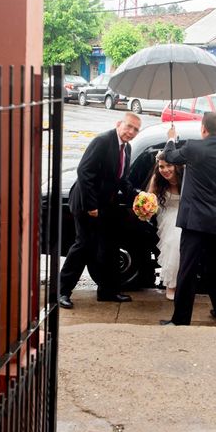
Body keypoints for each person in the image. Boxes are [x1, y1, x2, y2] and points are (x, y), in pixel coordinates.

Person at [159, 112, 216, 326]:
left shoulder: (195, 148)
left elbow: (170, 156)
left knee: (187, 271)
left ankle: (181, 320)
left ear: (203, 129)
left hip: (194, 222)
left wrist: (170, 138)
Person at [58, 112, 142, 309]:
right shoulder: (102, 141)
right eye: (129, 126)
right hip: (86, 203)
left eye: (135, 129)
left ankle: (108, 291)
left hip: (105, 205)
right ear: (119, 124)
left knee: (110, 247)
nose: (131, 132)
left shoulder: (126, 148)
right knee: (83, 247)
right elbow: (84, 172)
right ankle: (62, 292)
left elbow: (122, 179)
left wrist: (137, 196)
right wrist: (91, 206)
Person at [147, 151, 183, 301]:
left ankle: (182, 281)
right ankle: (171, 284)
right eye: (161, 166)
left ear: (176, 166)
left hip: (185, 212)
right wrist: (146, 210)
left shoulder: (185, 177)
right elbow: (150, 198)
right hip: (166, 213)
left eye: (169, 165)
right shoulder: (157, 178)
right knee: (175, 238)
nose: (165, 170)